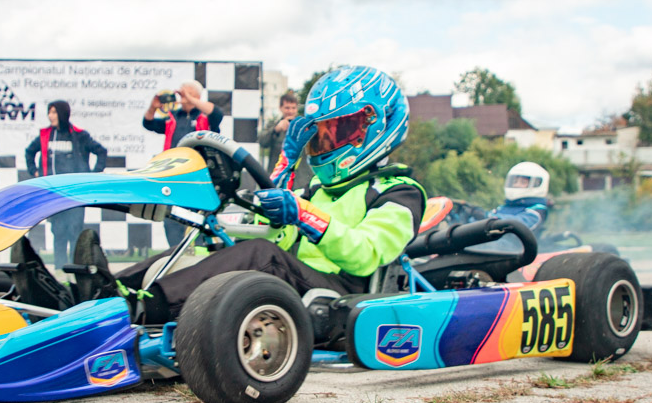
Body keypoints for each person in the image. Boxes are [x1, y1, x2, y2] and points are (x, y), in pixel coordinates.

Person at [97, 66, 424, 323]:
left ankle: (144, 309)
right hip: (297, 282)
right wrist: (288, 160)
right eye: (321, 134)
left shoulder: (400, 193)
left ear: (374, 127)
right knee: (207, 245)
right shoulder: (318, 190)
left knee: (263, 254)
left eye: (337, 131)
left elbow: (365, 254)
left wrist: (302, 214)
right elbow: (269, 221)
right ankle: (105, 291)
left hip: (342, 297)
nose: (325, 143)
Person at [24, 99, 108, 268]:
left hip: (75, 192)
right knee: (59, 232)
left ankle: (75, 268)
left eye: (54, 112)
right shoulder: (46, 135)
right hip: (54, 193)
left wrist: (93, 174)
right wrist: (34, 171)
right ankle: (60, 268)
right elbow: (29, 152)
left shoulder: (79, 135)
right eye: (49, 112)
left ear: (63, 114)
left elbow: (101, 151)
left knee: (75, 231)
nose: (50, 116)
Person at [141, 79, 224, 246]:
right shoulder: (173, 117)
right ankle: (175, 252)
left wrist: (191, 99)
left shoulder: (205, 117)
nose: (182, 96)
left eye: (187, 93)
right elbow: (148, 123)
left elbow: (217, 114)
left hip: (198, 178)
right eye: (182, 93)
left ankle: (199, 255)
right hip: (175, 177)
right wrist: (153, 106)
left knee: (198, 220)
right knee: (171, 219)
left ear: (196, 96)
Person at [257, 90, 312, 190]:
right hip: (278, 179)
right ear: (280, 108)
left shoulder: (305, 125)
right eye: (287, 108)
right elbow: (262, 142)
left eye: (293, 108)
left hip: (301, 180)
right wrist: (276, 129)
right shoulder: (273, 125)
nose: (290, 111)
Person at [490, 161, 552, 234]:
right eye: (515, 182)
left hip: (517, 241)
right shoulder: (503, 207)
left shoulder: (537, 210)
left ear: (537, 184)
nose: (517, 185)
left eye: (523, 182)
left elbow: (518, 224)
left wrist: (490, 218)